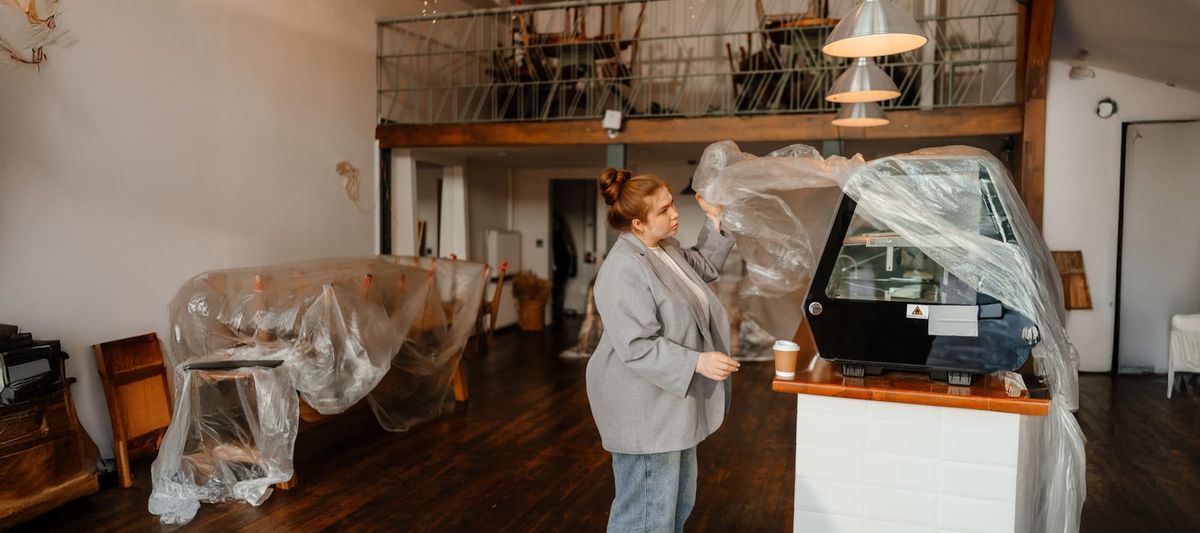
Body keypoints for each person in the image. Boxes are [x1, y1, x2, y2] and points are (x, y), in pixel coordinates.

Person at [586, 168, 740, 533]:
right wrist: (697, 360)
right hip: (642, 406)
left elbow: (702, 265)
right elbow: (638, 347)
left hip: (669, 401)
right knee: (646, 514)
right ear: (638, 224)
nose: (675, 214)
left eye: (672, 204)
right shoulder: (623, 269)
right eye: (664, 210)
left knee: (676, 505)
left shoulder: (663, 249)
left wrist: (714, 217)